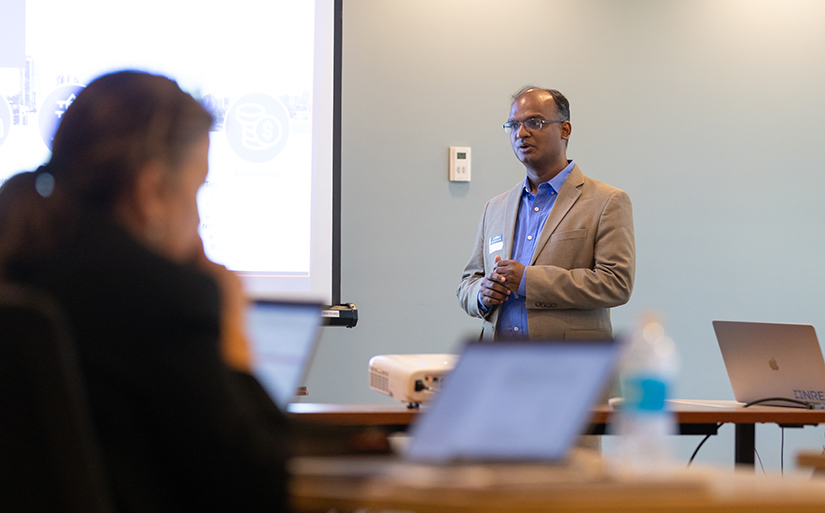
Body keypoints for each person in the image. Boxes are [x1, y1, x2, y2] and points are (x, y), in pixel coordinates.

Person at [0, 71, 290, 512]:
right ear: (152, 190)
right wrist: (232, 328)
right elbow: (257, 489)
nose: (196, 222)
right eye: (198, 190)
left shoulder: (20, 254)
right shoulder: (168, 297)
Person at [457, 86, 635, 341]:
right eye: (513, 125)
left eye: (534, 122)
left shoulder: (607, 201)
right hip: (499, 365)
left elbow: (616, 284)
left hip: (570, 367)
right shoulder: (494, 208)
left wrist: (528, 281)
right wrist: (480, 295)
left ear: (565, 130)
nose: (521, 133)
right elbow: (468, 283)